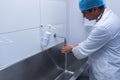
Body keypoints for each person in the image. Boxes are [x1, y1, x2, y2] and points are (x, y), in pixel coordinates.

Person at [61, 0, 120, 80]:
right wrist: (75, 46)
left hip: (106, 72)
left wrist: (71, 49)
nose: (83, 16)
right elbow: (93, 41)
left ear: (95, 9)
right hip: (109, 65)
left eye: (84, 13)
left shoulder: (103, 26)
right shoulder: (108, 16)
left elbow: (84, 50)